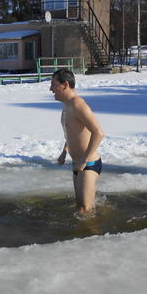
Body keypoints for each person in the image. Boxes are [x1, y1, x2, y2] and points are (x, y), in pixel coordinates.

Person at [51, 68, 104, 215]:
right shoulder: (67, 106)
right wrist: (65, 151)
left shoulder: (78, 105)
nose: (51, 89)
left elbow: (98, 133)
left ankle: (97, 236)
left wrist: (84, 160)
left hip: (88, 163)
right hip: (78, 163)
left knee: (84, 210)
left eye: (53, 85)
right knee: (80, 207)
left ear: (65, 85)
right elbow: (72, 133)